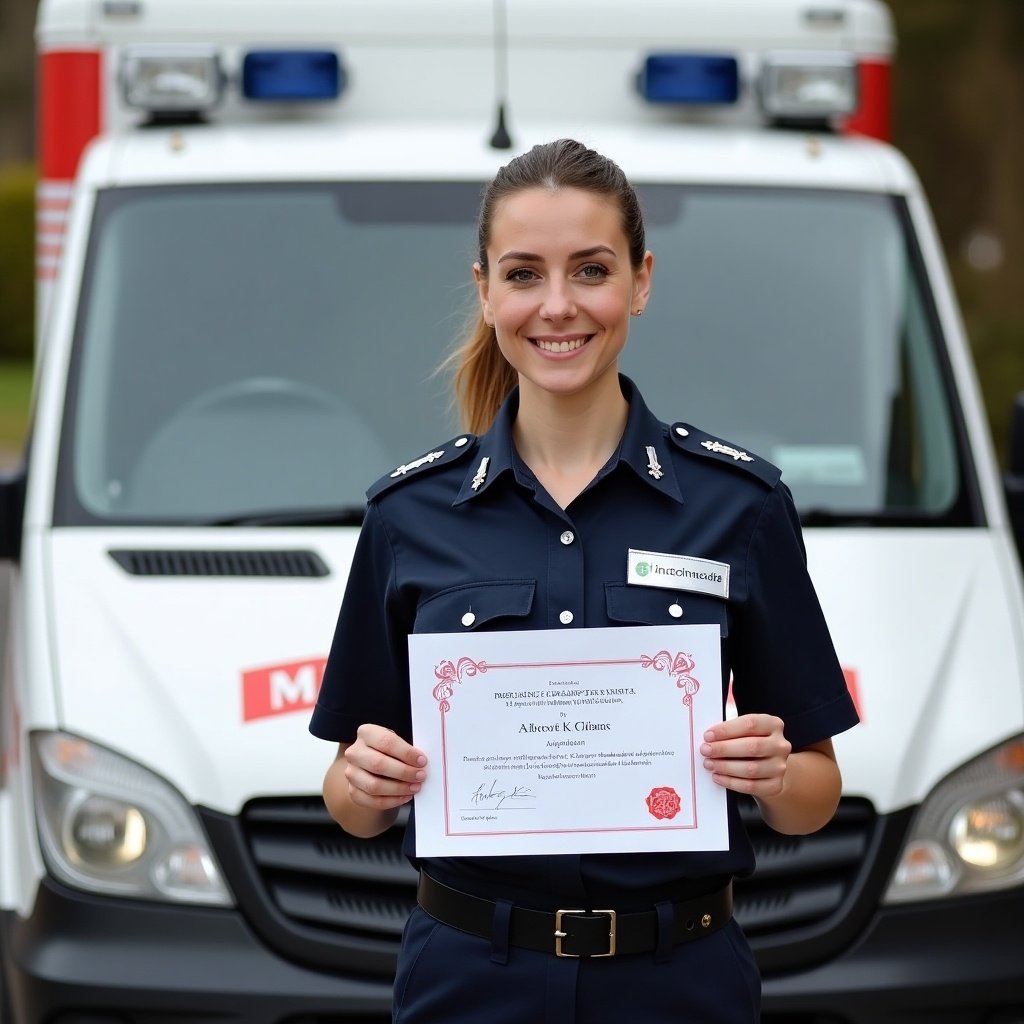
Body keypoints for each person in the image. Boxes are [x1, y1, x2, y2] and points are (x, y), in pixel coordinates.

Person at [310, 138, 859, 1023]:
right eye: (524, 274)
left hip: (680, 982)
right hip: (469, 983)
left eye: (591, 270)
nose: (558, 306)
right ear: (485, 290)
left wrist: (769, 773)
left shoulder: (740, 506)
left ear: (641, 281)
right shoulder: (409, 517)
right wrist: (364, 785)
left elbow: (814, 796)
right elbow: (349, 799)